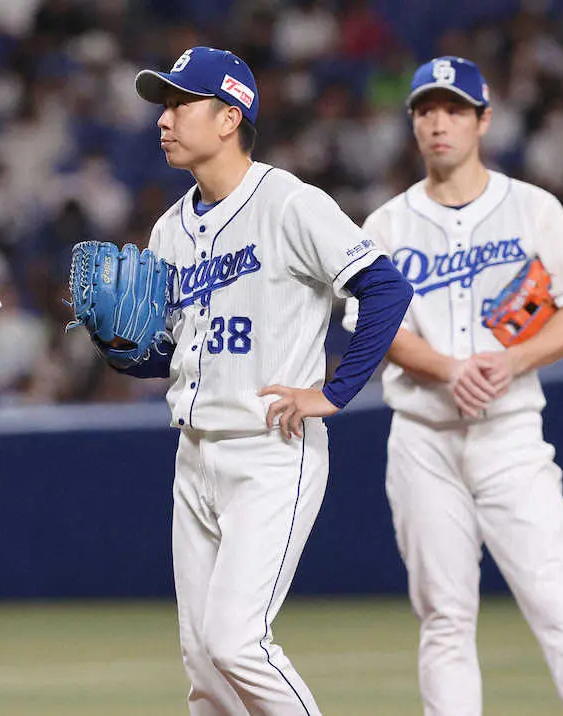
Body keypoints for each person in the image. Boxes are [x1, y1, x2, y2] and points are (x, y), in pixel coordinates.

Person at [126, 46, 412, 714]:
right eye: (162, 106)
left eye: (179, 104)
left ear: (230, 117)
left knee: (235, 643)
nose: (163, 119)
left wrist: (335, 391)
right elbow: (172, 353)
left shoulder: (287, 202)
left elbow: (385, 288)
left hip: (270, 452)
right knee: (203, 665)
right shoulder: (170, 229)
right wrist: (125, 350)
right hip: (194, 455)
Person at [343, 56, 563, 715]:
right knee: (444, 619)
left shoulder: (532, 207)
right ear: (413, 123)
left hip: (509, 436)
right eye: (426, 110)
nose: (439, 122)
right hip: (422, 439)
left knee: (558, 610)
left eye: (454, 110)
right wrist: (448, 368)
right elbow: (372, 328)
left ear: (483, 121)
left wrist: (513, 360)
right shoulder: (385, 224)